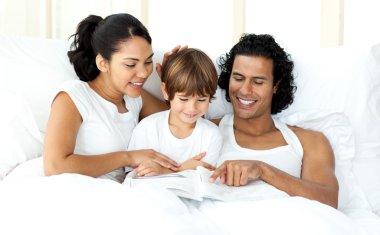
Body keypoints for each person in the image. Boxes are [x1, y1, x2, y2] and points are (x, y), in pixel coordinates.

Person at [43, 13, 181, 183]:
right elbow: (54, 166)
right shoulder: (73, 96)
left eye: (148, 62)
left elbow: (185, 118)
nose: (144, 73)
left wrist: (172, 80)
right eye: (131, 64)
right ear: (103, 63)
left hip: (123, 191)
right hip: (80, 190)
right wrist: (128, 157)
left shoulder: (134, 98)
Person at [209, 34, 339, 208]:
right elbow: (164, 123)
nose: (245, 90)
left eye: (258, 81)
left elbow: (328, 201)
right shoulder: (208, 129)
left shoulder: (309, 141)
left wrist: (263, 170)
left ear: (276, 85)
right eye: (238, 78)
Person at [126, 48, 223, 176]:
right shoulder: (147, 129)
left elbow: (207, 178)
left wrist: (162, 171)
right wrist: (183, 168)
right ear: (166, 92)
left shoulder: (211, 134)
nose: (192, 108)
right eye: (183, 99)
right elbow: (132, 177)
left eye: (202, 99)